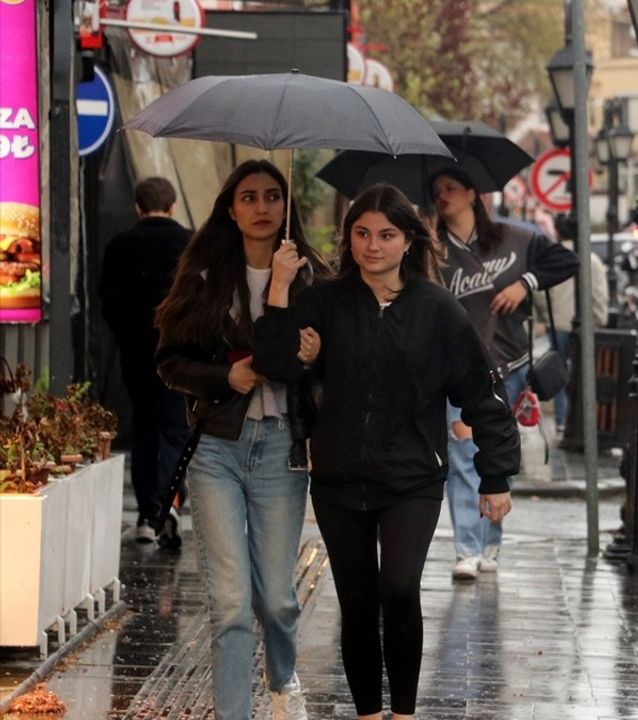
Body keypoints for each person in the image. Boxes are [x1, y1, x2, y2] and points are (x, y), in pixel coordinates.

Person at [254, 184, 520, 720]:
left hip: (413, 478)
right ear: (349, 238)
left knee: (399, 589)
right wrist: (280, 290)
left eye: (386, 235)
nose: (372, 245)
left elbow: (481, 393)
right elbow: (275, 364)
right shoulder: (325, 301)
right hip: (338, 476)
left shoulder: (439, 310)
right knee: (357, 602)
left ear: (407, 241)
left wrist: (496, 477)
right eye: (361, 233)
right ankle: (368, 714)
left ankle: (403, 713)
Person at [154, 159, 327, 720]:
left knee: (277, 598)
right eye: (248, 197)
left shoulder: (313, 280)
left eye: (272, 196)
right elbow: (170, 363)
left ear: (286, 206)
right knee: (228, 602)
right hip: (217, 448)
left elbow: (338, 368)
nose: (261, 208)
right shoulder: (204, 277)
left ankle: (283, 679)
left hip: (281, 446)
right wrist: (222, 378)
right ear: (231, 209)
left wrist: (315, 358)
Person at [430, 167, 577, 580]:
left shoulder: (516, 238)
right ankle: (467, 549)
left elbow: (568, 259)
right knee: (461, 454)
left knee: (494, 453)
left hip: (508, 364)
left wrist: (525, 283)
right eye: (437, 190)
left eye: (451, 188)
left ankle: (490, 538)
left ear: (473, 193)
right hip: (456, 368)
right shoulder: (431, 248)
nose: (442, 196)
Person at [99, 177, 191, 542]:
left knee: (145, 431)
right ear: (172, 207)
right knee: (175, 430)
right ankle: (170, 503)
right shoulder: (189, 243)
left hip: (137, 355)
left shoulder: (121, 245)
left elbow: (110, 303)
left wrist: (128, 340)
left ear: (137, 206)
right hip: (181, 355)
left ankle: (145, 514)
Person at [532, 235, 608, 438]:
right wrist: (599, 319)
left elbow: (539, 292)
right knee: (583, 373)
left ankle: (562, 420)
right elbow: (599, 294)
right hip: (585, 325)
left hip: (558, 323)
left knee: (558, 371)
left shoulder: (551, 260)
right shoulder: (592, 260)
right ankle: (582, 420)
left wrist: (546, 316)